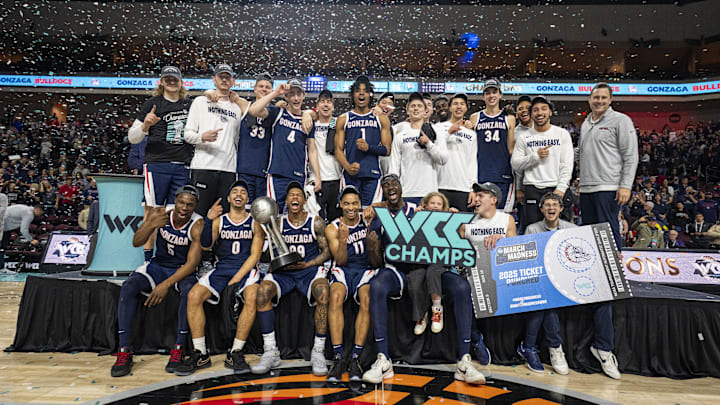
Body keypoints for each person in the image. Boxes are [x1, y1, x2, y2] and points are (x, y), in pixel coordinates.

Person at [363, 174, 485, 385]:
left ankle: (464, 361)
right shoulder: (379, 217)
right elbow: (375, 262)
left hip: (433, 267)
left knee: (461, 287)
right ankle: (383, 359)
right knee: (377, 286)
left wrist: (451, 217)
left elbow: (447, 228)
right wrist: (373, 248)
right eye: (386, 185)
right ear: (382, 191)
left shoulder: (417, 211)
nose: (391, 187)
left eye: (395, 183)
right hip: (399, 270)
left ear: (402, 188)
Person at [111, 186, 202, 377]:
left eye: (189, 204)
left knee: (190, 291)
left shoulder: (197, 224)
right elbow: (137, 241)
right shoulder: (161, 215)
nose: (184, 207)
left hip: (181, 269)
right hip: (158, 266)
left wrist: (165, 285)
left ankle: (178, 349)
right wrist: (150, 225)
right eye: (181, 202)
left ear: (194, 207)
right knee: (129, 287)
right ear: (175, 201)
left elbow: (192, 264)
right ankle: (124, 351)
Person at [174, 180, 264, 376]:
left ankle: (236, 351)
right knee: (193, 295)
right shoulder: (219, 220)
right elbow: (206, 245)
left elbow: (255, 256)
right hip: (222, 268)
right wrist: (208, 219)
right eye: (235, 191)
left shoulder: (255, 222)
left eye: (243, 192)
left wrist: (237, 279)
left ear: (247, 199)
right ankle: (201, 353)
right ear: (230, 198)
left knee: (252, 296)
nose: (239, 194)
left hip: (246, 270)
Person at [252, 181, 331, 376]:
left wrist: (309, 264)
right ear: (286, 201)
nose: (295, 198)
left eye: (298, 195)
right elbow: (266, 255)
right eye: (291, 195)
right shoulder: (277, 223)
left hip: (308, 270)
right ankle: (271, 351)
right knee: (262, 292)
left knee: (323, 291)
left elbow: (327, 251)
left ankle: (318, 351)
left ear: (304, 200)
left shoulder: (316, 221)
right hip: (284, 273)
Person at [577, 83, 639, 251]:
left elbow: (631, 155)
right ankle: (595, 273)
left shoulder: (621, 120)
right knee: (589, 235)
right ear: (589, 100)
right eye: (596, 97)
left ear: (610, 100)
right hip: (586, 188)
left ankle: (614, 272)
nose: (599, 101)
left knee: (608, 234)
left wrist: (625, 186)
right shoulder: (586, 123)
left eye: (604, 97)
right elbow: (583, 153)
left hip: (608, 187)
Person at [462, 182, 516, 367]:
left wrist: (502, 240)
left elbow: (515, 248)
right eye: (476, 195)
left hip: (499, 273)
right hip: (473, 274)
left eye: (481, 195)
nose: (476, 199)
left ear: (493, 200)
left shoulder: (506, 219)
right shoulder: (467, 221)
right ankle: (476, 338)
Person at [517, 192, 571, 375]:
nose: (551, 208)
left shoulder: (571, 228)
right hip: (540, 279)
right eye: (547, 205)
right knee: (546, 299)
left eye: (555, 205)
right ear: (541, 209)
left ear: (561, 209)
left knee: (548, 298)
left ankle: (531, 345)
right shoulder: (532, 229)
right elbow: (525, 259)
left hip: (565, 280)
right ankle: (555, 348)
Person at [248, 80, 321, 214]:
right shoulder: (278, 112)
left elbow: (312, 149)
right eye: (291, 94)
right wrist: (276, 93)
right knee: (273, 215)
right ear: (286, 97)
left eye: (299, 94)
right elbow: (253, 111)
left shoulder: (308, 120)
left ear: (304, 95)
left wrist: (317, 176)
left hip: (299, 175)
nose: (296, 98)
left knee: (296, 216)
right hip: (277, 174)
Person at [184, 64, 248, 216]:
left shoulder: (236, 108)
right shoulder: (201, 101)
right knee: (198, 214)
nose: (224, 80)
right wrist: (202, 137)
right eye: (221, 77)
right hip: (203, 167)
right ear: (214, 79)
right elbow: (187, 135)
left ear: (233, 81)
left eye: (228, 77)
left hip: (228, 169)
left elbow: (238, 140)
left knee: (224, 216)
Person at [326, 185, 373, 382]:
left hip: (364, 269)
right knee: (335, 297)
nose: (351, 207)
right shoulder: (332, 227)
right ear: (340, 205)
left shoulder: (368, 221)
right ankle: (338, 358)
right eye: (346, 203)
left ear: (360, 205)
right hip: (344, 268)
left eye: (354, 203)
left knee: (367, 300)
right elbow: (341, 259)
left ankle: (355, 358)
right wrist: (343, 241)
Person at [511, 95, 573, 228]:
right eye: (535, 110)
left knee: (562, 232)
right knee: (533, 232)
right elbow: (515, 163)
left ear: (550, 112)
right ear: (531, 114)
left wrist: (561, 189)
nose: (540, 113)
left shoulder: (562, 134)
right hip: (533, 188)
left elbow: (566, 165)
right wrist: (535, 157)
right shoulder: (524, 137)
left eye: (543, 109)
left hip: (557, 187)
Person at [334, 76, 392, 208]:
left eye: (365, 91)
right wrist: (347, 167)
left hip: (372, 176)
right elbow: (338, 150)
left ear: (370, 95)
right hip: (350, 176)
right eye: (357, 91)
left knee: (371, 217)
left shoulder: (381, 118)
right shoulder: (343, 119)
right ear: (352, 95)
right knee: (349, 215)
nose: (361, 93)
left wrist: (369, 148)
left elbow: (387, 150)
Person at [465, 79, 516, 213]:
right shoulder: (475, 118)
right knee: (481, 216)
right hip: (481, 174)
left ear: (500, 95)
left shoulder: (509, 118)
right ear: (483, 96)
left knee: (502, 217)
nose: (491, 96)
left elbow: (511, 149)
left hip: (503, 175)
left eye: (494, 92)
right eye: (488, 93)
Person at [389, 92, 448, 205]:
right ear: (407, 110)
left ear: (425, 110)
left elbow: (443, 160)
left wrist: (429, 144)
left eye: (419, 106)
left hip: (429, 193)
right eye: (413, 106)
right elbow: (394, 165)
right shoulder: (400, 135)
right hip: (406, 192)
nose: (416, 109)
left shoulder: (435, 131)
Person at [410, 192, 455, 336]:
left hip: (441, 261)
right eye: (432, 203)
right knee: (415, 277)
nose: (435, 206)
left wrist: (456, 219)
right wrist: (414, 218)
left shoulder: (448, 219)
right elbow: (408, 238)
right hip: (422, 260)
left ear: (443, 208)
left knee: (433, 272)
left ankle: (437, 310)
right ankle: (421, 314)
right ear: (425, 205)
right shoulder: (418, 218)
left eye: (439, 204)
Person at [236, 72, 275, 202]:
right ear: (255, 88)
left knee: (261, 211)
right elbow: (225, 95)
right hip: (244, 168)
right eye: (261, 86)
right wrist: (209, 92)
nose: (264, 89)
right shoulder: (244, 105)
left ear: (272, 91)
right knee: (243, 208)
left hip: (264, 171)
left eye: (268, 87)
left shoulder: (275, 112)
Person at [437, 93, 477, 212]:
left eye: (462, 104)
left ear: (466, 108)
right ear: (450, 108)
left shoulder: (471, 133)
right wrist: (448, 133)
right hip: (441, 185)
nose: (458, 107)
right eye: (455, 104)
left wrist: (472, 188)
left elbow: (472, 162)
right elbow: (434, 151)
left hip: (463, 188)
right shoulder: (439, 127)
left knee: (463, 228)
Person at [312, 90, 343, 221]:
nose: (326, 105)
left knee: (335, 221)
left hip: (336, 179)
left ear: (333, 106)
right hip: (317, 180)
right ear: (317, 106)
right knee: (317, 221)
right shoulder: (311, 124)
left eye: (329, 102)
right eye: (322, 102)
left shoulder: (339, 124)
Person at [0, 204, 42, 269]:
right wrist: (31, 240)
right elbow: (23, 230)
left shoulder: (26, 209)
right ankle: (1, 268)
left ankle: (1, 268)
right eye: (41, 212)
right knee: (2, 248)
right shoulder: (29, 214)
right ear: (37, 210)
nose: (41, 214)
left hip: (4, 226)